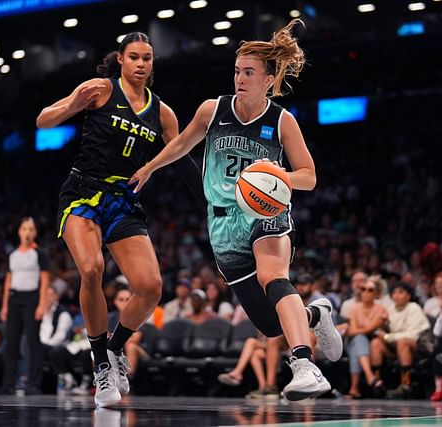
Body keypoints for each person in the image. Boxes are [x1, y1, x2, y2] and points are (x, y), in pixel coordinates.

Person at [130, 19, 342, 400]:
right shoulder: (213, 110)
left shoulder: (282, 121)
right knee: (269, 322)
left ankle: (304, 364)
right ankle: (315, 315)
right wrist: (149, 167)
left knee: (273, 275)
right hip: (223, 224)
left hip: (265, 212)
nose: (240, 78)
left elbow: (309, 176)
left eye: (249, 72)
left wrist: (279, 176)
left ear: (268, 78)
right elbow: (180, 146)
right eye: (237, 71)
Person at [36, 31, 203, 407]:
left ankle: (114, 348)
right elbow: (43, 121)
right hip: (81, 191)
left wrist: (210, 202)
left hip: (123, 200)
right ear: (122, 60)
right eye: (134, 57)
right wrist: (71, 105)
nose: (141, 64)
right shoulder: (98, 89)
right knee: (92, 269)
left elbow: (181, 158)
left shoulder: (163, 112)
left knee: (150, 287)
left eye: (147, 58)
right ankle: (99, 368)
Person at [0, 217, 50, 395]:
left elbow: (44, 280)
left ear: (35, 233)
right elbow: (8, 280)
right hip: (14, 299)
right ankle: (8, 384)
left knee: (32, 341)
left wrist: (42, 304)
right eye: (24, 229)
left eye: (30, 229)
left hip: (32, 299)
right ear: (19, 231)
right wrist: (4, 305)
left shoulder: (40, 253)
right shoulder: (12, 255)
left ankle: (34, 383)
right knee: (11, 342)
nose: (27, 232)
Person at [369, 283, 430, 398]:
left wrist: (387, 337)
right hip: (396, 347)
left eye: (400, 292)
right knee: (375, 343)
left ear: (408, 296)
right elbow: (382, 331)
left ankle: (405, 384)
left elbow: (412, 335)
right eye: (394, 292)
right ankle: (377, 382)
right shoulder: (390, 309)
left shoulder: (413, 308)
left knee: (403, 341)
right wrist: (382, 325)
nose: (396, 295)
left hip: (418, 348)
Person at [345, 277, 388, 398]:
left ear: (376, 293)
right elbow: (352, 331)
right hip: (353, 341)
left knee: (357, 346)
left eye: (370, 290)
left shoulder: (381, 308)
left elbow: (369, 328)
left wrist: (361, 329)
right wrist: (364, 329)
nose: (365, 292)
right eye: (363, 289)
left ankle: (354, 389)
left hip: (373, 342)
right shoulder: (354, 309)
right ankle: (370, 376)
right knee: (359, 339)